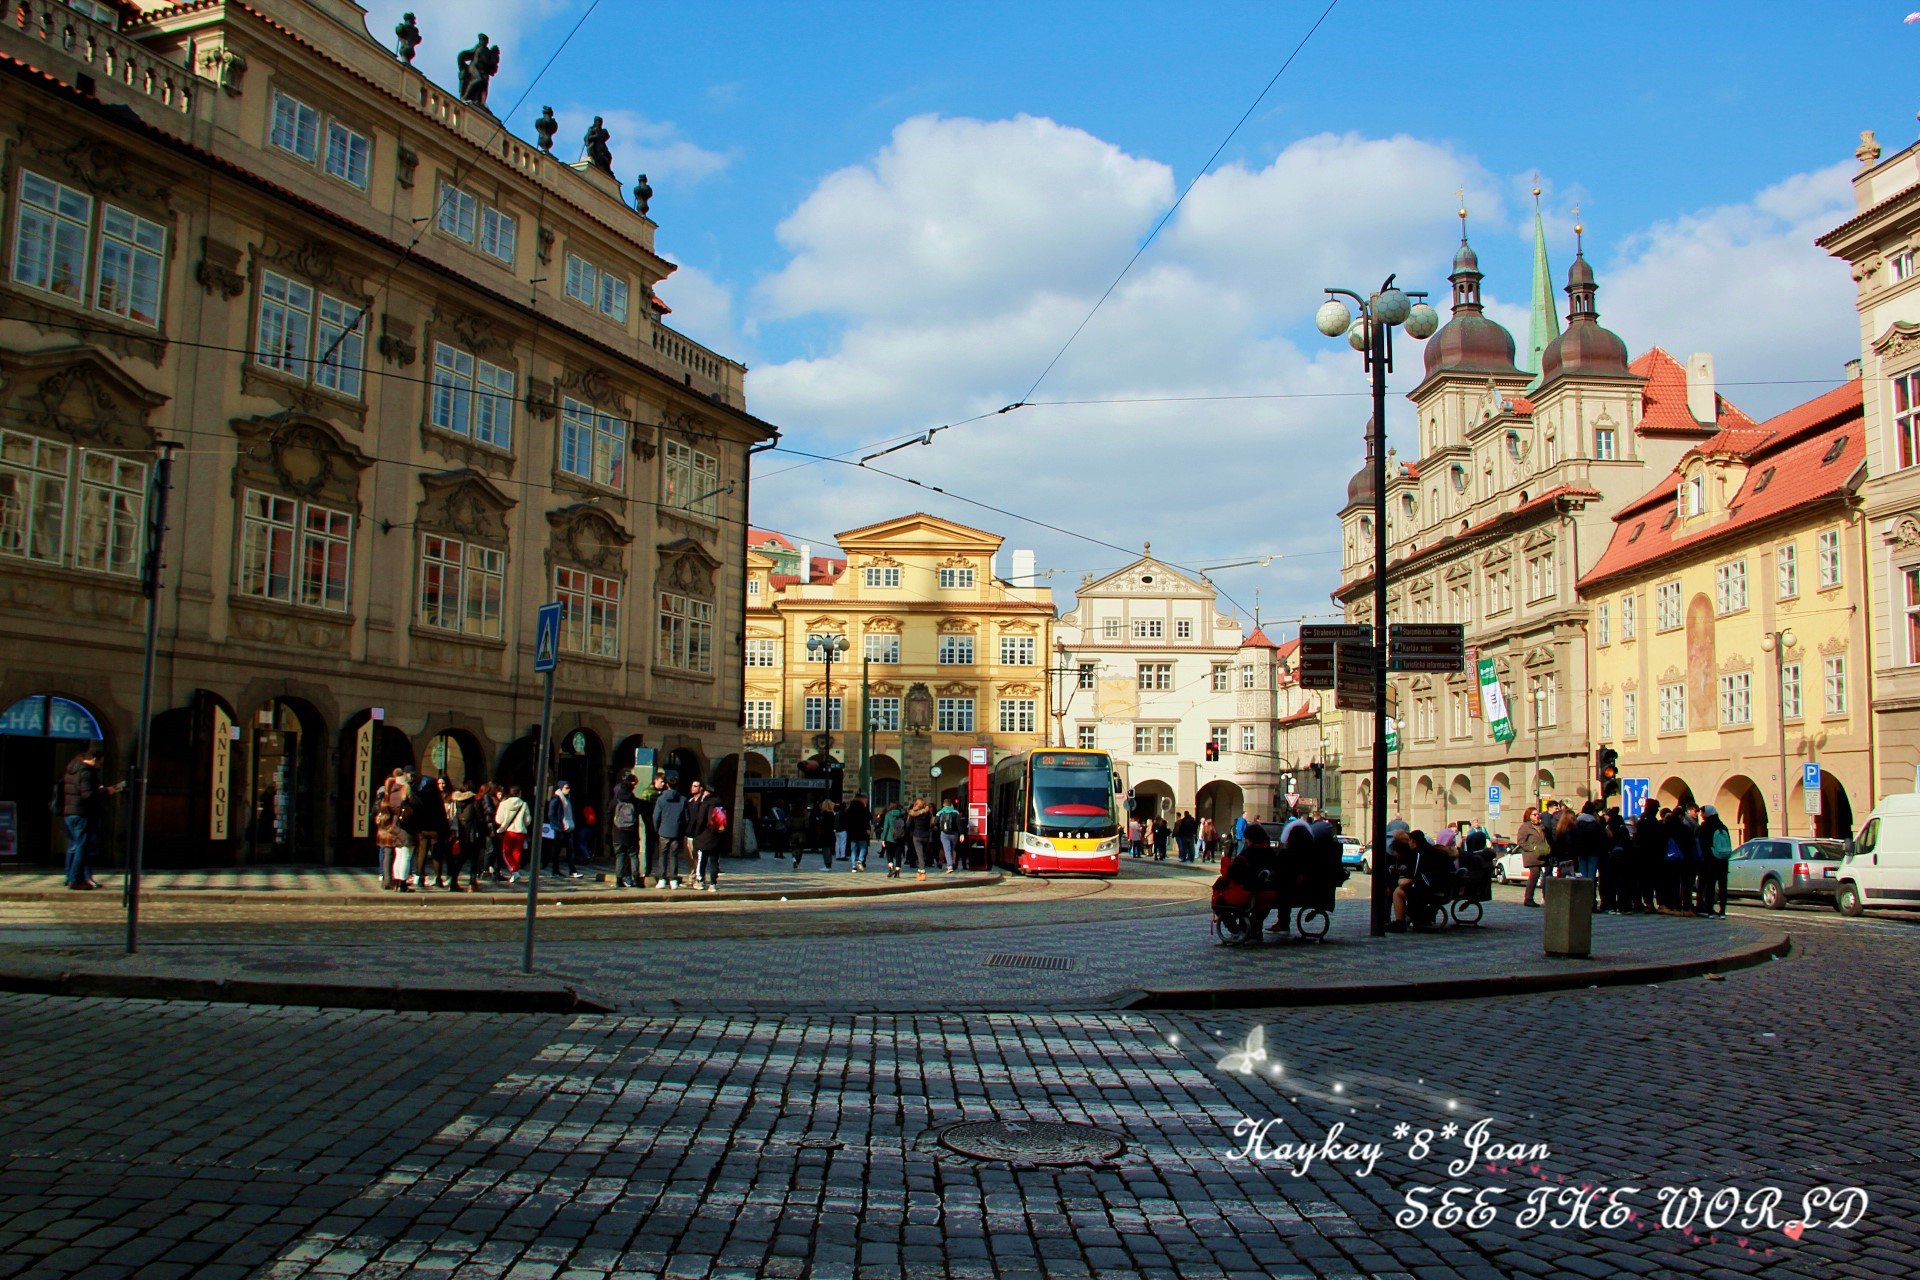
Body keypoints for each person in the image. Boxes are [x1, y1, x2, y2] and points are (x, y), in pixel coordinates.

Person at [59, 745, 119, 890]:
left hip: (69, 812)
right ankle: (76, 879)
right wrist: (106, 791)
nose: (99, 766)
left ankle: (70, 876)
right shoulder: (86, 772)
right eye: (99, 763)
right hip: (82, 813)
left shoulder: (71, 770)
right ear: (93, 759)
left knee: (73, 846)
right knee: (82, 847)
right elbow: (87, 795)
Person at [446, 779, 486, 891]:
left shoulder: (458, 802)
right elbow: (480, 818)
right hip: (474, 834)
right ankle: (472, 883)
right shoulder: (474, 801)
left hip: (463, 833)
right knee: (474, 859)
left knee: (461, 859)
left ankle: (453, 881)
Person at [686, 779, 724, 891]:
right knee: (714, 860)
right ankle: (713, 883)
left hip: (705, 836)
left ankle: (700, 880)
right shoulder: (719, 803)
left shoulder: (706, 803)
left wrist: (696, 833)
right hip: (716, 836)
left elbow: (700, 820)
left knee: (702, 859)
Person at [652, 775, 688, 889]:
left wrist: (657, 828)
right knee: (674, 855)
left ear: (667, 785)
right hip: (676, 831)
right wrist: (682, 829)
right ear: (677, 786)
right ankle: (673, 879)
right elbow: (686, 818)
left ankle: (662, 879)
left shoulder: (661, 799)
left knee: (662, 855)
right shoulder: (683, 799)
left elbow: (656, 816)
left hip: (663, 830)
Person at [1697, 804, 1733, 916]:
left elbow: (1702, 845)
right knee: (1723, 886)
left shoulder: (1705, 827)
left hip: (1710, 861)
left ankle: (1710, 910)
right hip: (1723, 861)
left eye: (1703, 813)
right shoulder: (1723, 827)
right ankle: (1722, 911)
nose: (1701, 815)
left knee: (1710, 886)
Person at [495, 785, 531, 883]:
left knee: (506, 852)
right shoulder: (524, 804)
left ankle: (514, 871)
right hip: (520, 831)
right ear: (519, 793)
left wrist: (505, 822)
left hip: (509, 831)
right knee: (517, 852)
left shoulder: (503, 804)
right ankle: (515, 871)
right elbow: (528, 820)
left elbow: (498, 819)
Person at [611, 775, 642, 888]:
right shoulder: (634, 801)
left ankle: (619, 879)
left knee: (620, 857)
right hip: (631, 833)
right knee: (633, 856)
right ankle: (636, 879)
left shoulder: (615, 800)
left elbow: (609, 814)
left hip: (618, 833)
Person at [545, 781, 580, 879]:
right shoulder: (556, 799)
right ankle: (555, 871)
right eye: (566, 788)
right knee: (557, 851)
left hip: (568, 827)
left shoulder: (568, 799)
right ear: (561, 788)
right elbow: (551, 815)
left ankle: (572, 871)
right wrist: (559, 826)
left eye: (568, 788)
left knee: (570, 850)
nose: (568, 790)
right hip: (560, 828)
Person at [1515, 807, 1547, 907]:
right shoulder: (1525, 827)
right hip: (1531, 855)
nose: (1537, 816)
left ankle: (1533, 898)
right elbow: (1521, 841)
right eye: (1535, 814)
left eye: (1538, 814)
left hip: (1541, 854)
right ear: (1529, 816)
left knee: (1539, 875)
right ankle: (1528, 898)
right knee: (1535, 874)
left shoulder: (1540, 826)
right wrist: (1532, 848)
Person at [842, 793, 873, 872]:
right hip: (861, 831)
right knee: (863, 847)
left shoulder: (850, 808)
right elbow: (868, 817)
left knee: (853, 850)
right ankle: (860, 859)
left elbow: (846, 819)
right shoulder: (863, 808)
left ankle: (853, 867)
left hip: (852, 832)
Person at [906, 798, 935, 881]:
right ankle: (919, 871)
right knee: (922, 854)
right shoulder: (928, 813)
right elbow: (932, 823)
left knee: (920, 855)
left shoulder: (913, 814)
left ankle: (922, 872)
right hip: (926, 835)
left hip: (917, 835)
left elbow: (908, 825)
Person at [934, 797, 965, 872]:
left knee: (946, 849)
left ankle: (949, 866)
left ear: (943, 804)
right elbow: (959, 824)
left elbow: (935, 822)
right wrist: (962, 834)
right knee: (951, 849)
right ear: (951, 804)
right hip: (954, 834)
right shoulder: (955, 812)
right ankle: (950, 863)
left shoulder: (940, 812)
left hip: (944, 833)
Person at [880, 799, 908, 877]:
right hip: (899, 838)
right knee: (898, 854)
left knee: (889, 853)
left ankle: (891, 868)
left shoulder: (888, 815)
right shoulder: (902, 815)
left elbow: (886, 828)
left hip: (890, 838)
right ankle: (898, 871)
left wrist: (883, 839)